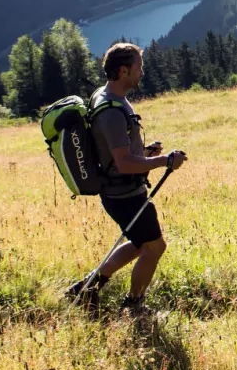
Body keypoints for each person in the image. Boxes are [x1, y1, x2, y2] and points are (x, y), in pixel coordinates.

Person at [64, 42, 187, 312]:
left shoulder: (108, 97)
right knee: (154, 248)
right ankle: (134, 305)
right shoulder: (111, 112)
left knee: (138, 244)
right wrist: (163, 161)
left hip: (121, 191)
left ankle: (85, 289)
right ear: (123, 71)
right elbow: (123, 163)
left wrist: (144, 151)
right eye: (138, 68)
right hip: (125, 195)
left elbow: (116, 152)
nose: (141, 73)